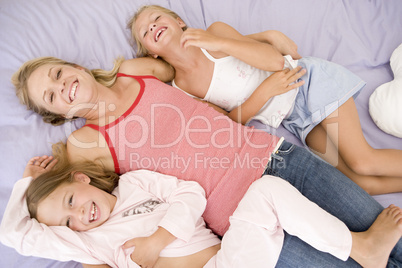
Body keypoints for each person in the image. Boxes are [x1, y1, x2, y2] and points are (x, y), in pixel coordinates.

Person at [11, 55, 402, 267]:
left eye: (57, 74)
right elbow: (96, 217)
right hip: (239, 216)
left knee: (384, 235)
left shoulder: (137, 70)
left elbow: (202, 83)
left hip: (276, 159)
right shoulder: (84, 144)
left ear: (76, 66)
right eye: (50, 96)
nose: (61, 86)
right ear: (58, 116)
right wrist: (30, 182)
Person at [129, 5, 402, 195]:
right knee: (357, 183)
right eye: (145, 32)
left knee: (362, 162)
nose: (152, 26)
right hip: (295, 119)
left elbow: (274, 60)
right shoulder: (182, 89)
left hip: (308, 83)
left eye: (156, 18)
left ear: (179, 22)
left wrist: (218, 43)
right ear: (151, 53)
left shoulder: (216, 32)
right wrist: (264, 93)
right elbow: (229, 123)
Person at [1, 156, 401, 268]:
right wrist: (24, 183)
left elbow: (190, 192)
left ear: (81, 180)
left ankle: (361, 248)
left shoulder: (134, 183)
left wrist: (158, 239)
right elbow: (11, 234)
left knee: (266, 189)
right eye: (66, 223)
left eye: (70, 202)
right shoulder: (89, 244)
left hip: (230, 259)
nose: (79, 217)